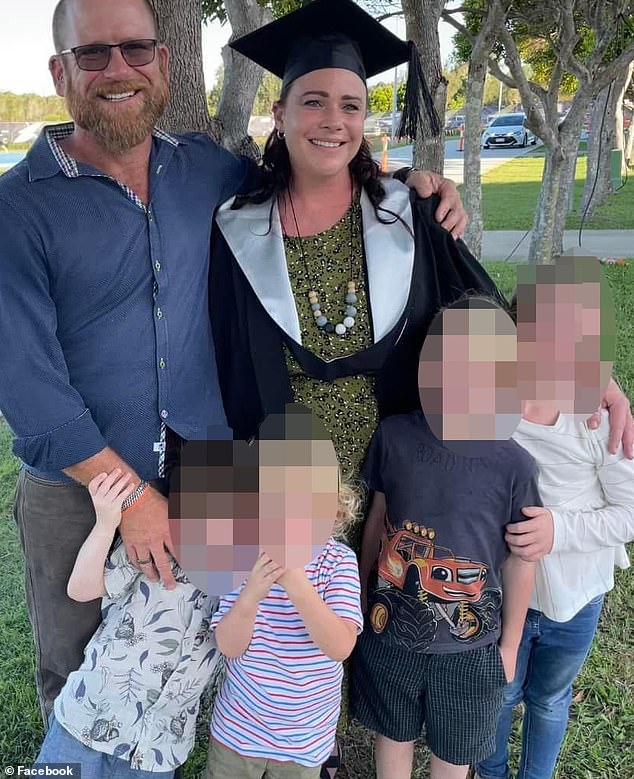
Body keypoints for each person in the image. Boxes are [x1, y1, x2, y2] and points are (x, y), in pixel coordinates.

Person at [0, 0, 466, 724]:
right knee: (77, 661)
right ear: (60, 71)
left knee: (183, 644)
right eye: (93, 54)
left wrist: (414, 182)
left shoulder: (208, 173)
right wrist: (129, 497)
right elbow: (25, 385)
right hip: (78, 485)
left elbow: (319, 165)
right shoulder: (15, 210)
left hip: (201, 467)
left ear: (163, 64)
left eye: (135, 49)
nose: (117, 69)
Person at [210, 0, 634, 485]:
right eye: (313, 101)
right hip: (286, 500)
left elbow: (485, 315)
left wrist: (589, 372)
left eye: (351, 105)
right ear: (279, 114)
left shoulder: (409, 214)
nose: (333, 120)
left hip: (409, 493)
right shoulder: (235, 230)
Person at [350, 296, 539, 779]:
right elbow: (377, 520)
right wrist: (360, 594)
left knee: (454, 758)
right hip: (390, 631)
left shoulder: (514, 466)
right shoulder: (395, 438)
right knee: (392, 738)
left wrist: (511, 644)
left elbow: (521, 560)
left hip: (471, 654)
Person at [476, 256, 634, 779]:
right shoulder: (486, 410)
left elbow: (629, 513)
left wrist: (558, 529)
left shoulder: (595, 418)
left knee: (549, 699)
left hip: (575, 600)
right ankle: (491, 771)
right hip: (501, 596)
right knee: (499, 694)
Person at [206, 405, 364, 779]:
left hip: (304, 743)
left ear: (334, 512)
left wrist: (296, 583)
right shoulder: (242, 559)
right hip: (237, 733)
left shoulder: (337, 563)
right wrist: (250, 596)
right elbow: (227, 645)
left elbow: (340, 646)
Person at [36, 467, 220, 777]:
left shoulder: (243, 584)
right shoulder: (156, 545)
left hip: (157, 749)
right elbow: (81, 589)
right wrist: (106, 525)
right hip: (87, 720)